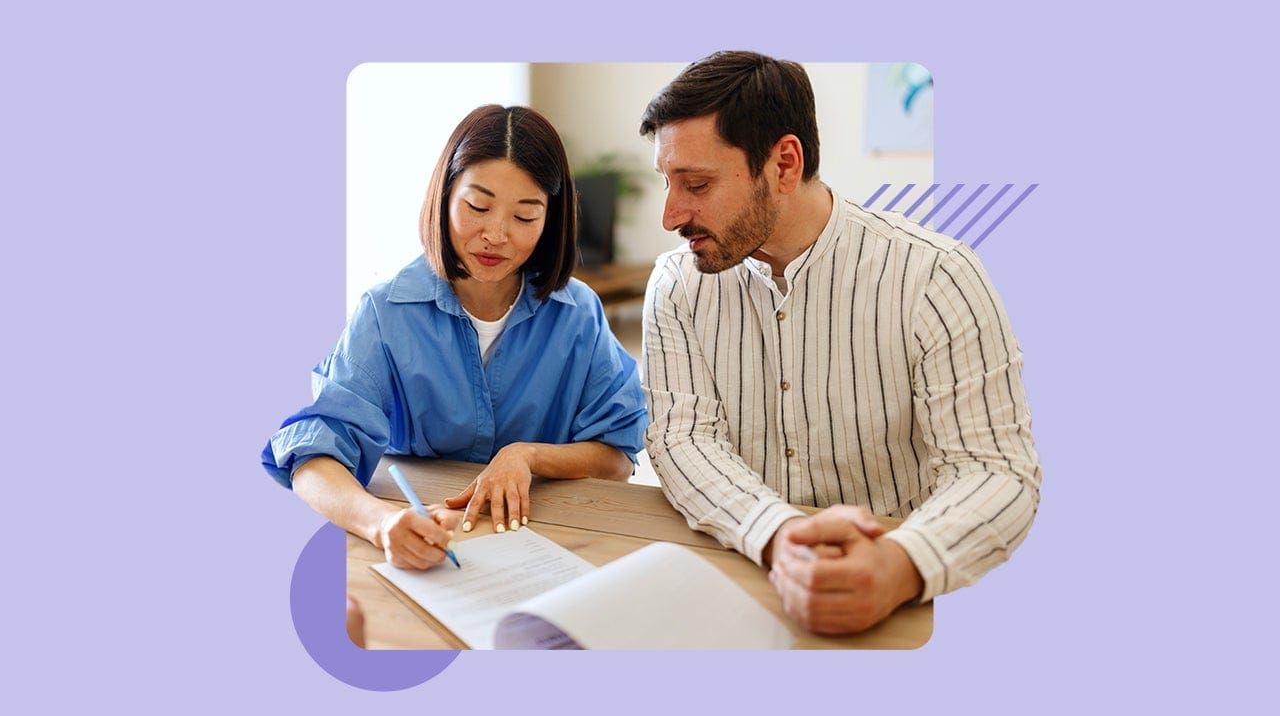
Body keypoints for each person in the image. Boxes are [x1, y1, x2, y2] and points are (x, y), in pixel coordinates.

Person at [639, 52, 1042, 634]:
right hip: (743, 580)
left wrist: (901, 565)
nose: (670, 214)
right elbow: (682, 439)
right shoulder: (677, 286)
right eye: (668, 182)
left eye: (696, 184)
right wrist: (776, 534)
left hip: (897, 604)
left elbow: (998, 471)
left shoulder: (935, 277)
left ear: (784, 163)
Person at [264, 105, 647, 571]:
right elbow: (312, 459)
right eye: (478, 207)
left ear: (551, 220)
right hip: (426, 537)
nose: (496, 235)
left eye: (525, 217)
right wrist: (380, 522)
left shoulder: (578, 312)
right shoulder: (387, 312)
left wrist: (525, 456)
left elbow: (616, 457)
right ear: (444, 196)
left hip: (550, 543)